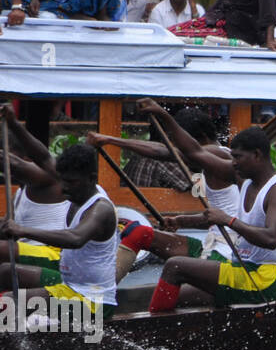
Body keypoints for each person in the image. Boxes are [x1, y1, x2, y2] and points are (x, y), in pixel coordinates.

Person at [147, 128, 276, 312]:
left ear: (256, 154)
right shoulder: (244, 180)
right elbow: (195, 152)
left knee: (175, 266)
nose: (233, 163)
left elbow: (271, 239)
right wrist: (182, 221)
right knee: (177, 298)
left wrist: (228, 220)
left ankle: (151, 333)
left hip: (262, 279)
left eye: (238, 157)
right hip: (239, 268)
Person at [93, 102, 242, 275]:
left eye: (179, 143)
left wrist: (111, 140)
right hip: (211, 242)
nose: (175, 147)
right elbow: (218, 215)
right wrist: (181, 221)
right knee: (138, 232)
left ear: (198, 139)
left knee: (174, 268)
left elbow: (164, 152)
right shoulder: (208, 165)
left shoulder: (219, 154)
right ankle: (105, 288)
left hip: (227, 251)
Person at [0, 144, 119, 319]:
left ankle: (17, 343)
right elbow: (45, 158)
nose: (63, 187)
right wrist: (13, 122)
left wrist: (23, 230)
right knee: (5, 272)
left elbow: (75, 238)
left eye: (70, 182)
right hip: (69, 285)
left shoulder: (101, 209)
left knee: (7, 303)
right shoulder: (76, 189)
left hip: (93, 301)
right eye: (62, 180)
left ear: (92, 178)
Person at [0, 104, 68, 277]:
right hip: (29, 252)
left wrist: (13, 123)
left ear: (28, 159)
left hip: (55, 254)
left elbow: (12, 163)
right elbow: (7, 228)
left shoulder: (49, 179)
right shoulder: (19, 193)